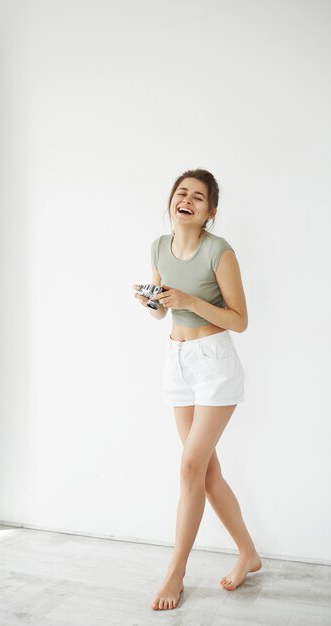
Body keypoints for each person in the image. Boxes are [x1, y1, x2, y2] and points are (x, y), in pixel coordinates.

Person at [132, 168, 262, 611]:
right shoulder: (157, 247)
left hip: (214, 364)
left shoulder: (218, 252)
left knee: (190, 467)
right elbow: (159, 314)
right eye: (181, 192)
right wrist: (152, 299)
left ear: (210, 212)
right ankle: (249, 553)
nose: (186, 199)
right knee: (205, 474)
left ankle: (175, 572)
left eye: (198, 197)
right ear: (171, 201)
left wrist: (190, 301)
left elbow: (240, 320)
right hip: (177, 363)